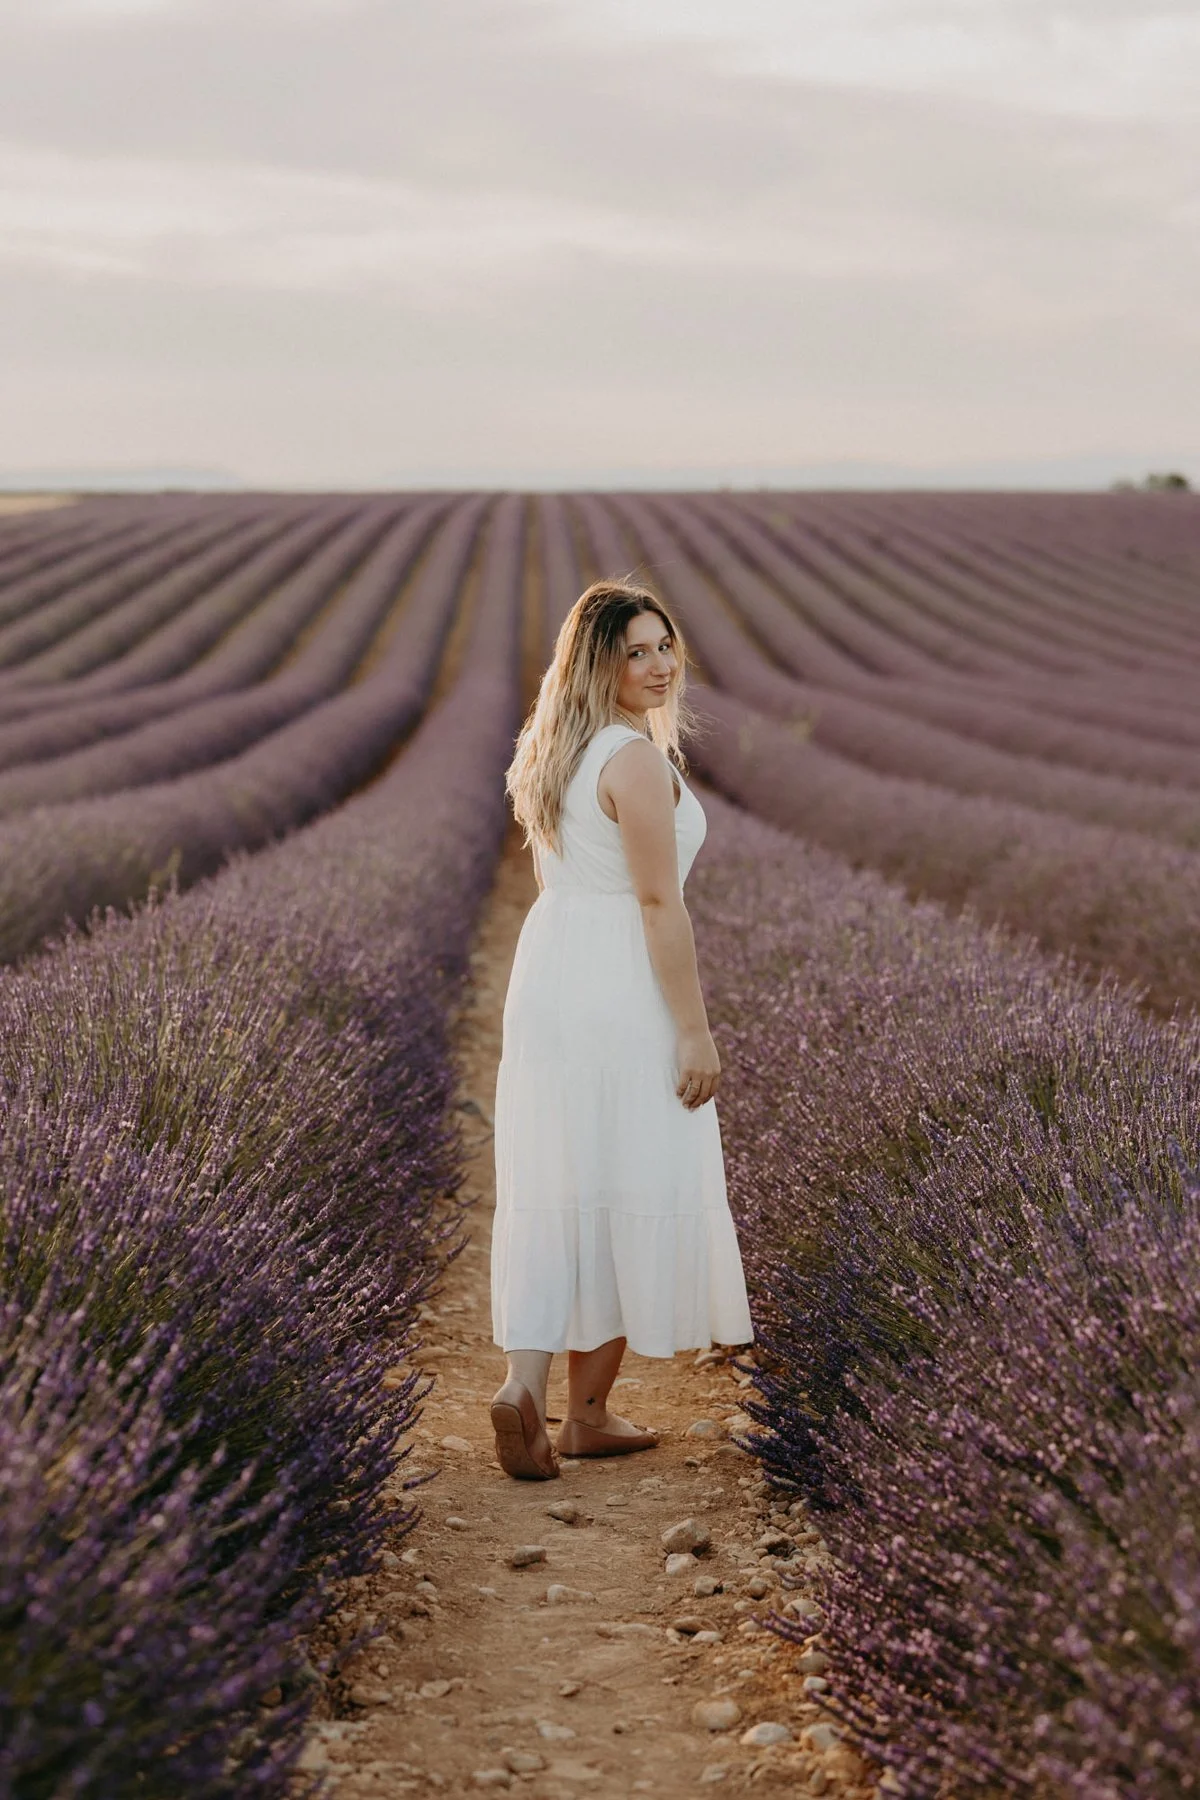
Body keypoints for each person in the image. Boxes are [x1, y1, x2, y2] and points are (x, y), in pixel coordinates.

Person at [488, 578, 754, 1480]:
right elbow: (656, 903)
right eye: (634, 651)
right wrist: (694, 1030)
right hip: (618, 983)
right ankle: (585, 1413)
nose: (657, 665)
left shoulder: (552, 749)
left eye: (663, 645)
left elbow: (560, 878)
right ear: (598, 664)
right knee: (622, 1176)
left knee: (559, 1179)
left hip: (551, 971)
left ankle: (532, 1391)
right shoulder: (634, 761)